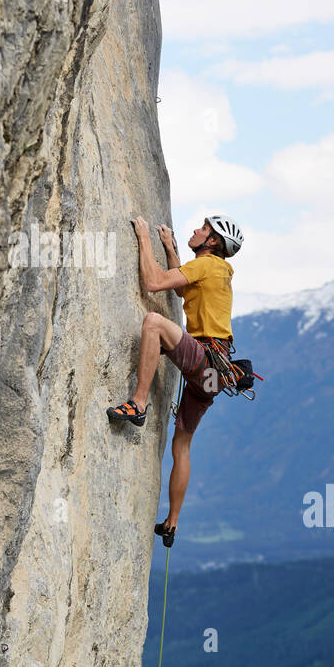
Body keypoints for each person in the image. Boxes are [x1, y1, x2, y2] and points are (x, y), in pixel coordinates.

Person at [106, 214, 243, 546]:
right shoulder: (216, 271)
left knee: (153, 322)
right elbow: (183, 289)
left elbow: (154, 283)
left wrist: (143, 236)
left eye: (204, 229)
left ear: (212, 243)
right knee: (181, 445)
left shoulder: (207, 265)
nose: (196, 230)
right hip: (215, 376)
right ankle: (173, 521)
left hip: (205, 360)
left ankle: (138, 404)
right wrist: (169, 249)